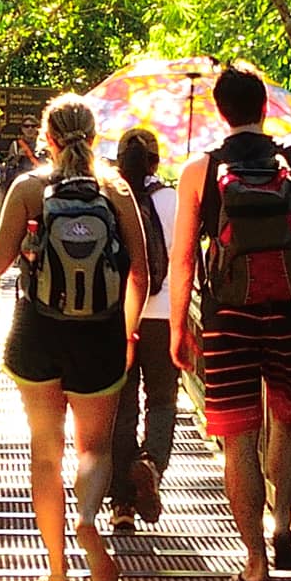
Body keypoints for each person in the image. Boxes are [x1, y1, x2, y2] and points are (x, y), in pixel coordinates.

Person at [0, 95, 147, 581]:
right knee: (94, 449)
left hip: (37, 334)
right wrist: (126, 333)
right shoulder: (116, 191)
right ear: (93, 137)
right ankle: (88, 520)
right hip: (100, 336)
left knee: (44, 453)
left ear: (46, 138)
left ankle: (56, 569)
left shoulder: (28, 187)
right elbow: (142, 272)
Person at [169, 65, 291, 581]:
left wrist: (179, 329)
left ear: (221, 111)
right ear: (264, 106)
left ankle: (253, 561)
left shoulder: (199, 171)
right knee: (289, 418)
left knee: (238, 436)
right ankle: (284, 526)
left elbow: (181, 259)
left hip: (227, 317)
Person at [103, 125, 182, 533]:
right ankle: (150, 463)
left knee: (123, 407)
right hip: (166, 315)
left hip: (118, 316)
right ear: (156, 161)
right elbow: (188, 263)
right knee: (163, 401)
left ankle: (121, 505)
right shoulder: (174, 200)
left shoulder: (110, 198)